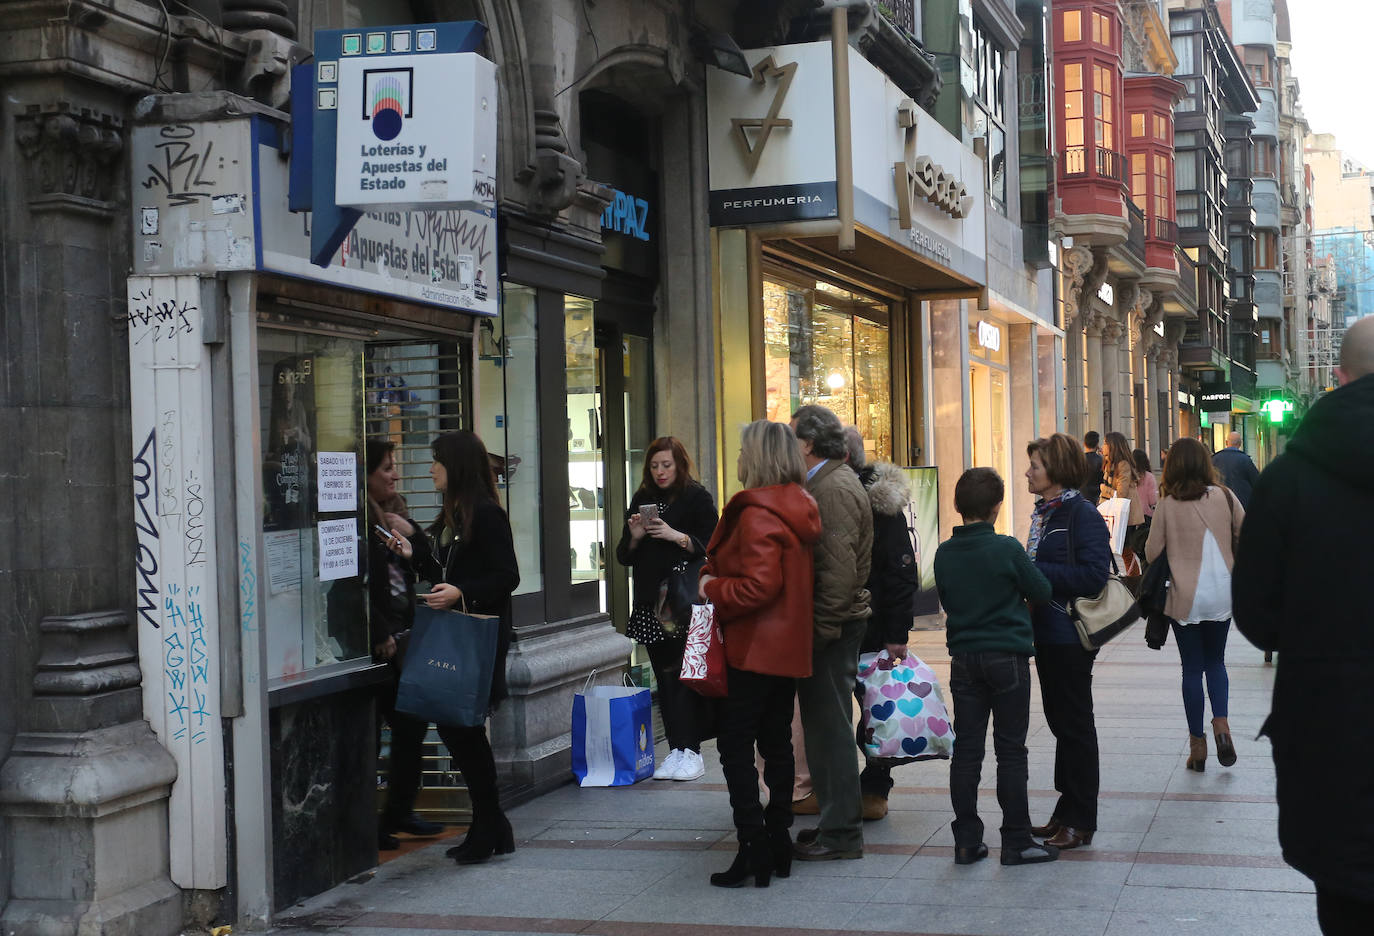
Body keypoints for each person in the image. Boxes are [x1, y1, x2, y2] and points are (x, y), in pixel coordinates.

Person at [1233, 315, 1374, 935]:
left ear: (1337, 378)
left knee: (1344, 899)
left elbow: (1258, 616)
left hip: (1329, 728)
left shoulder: (1291, 476)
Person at [381, 430, 520, 865]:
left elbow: (506, 576)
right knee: (459, 731)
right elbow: (443, 570)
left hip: (474, 640)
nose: (429, 469)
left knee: (464, 733)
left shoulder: (486, 514)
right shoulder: (455, 515)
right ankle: (492, 826)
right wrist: (412, 555)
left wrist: (461, 592)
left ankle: (489, 826)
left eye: (436, 461)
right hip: (457, 638)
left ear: (454, 466)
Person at [698, 420, 821, 888]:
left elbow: (759, 586)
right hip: (786, 648)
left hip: (751, 647)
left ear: (758, 458)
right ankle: (777, 842)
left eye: (742, 450)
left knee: (735, 747)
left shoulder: (755, 511)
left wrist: (712, 586)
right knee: (776, 745)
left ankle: (752, 846)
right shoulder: (798, 505)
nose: (737, 459)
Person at [936, 468, 1057, 866]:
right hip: (1007, 657)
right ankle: (1016, 839)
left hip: (964, 660)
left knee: (967, 752)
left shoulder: (944, 553)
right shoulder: (1006, 548)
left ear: (957, 505)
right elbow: (1041, 590)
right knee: (1011, 750)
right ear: (996, 507)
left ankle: (967, 840)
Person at [789, 405, 873, 861]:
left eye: (790, 436)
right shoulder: (829, 481)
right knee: (826, 730)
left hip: (832, 629)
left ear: (806, 443)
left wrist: (818, 634)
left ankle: (841, 833)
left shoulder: (833, 486)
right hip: (832, 625)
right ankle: (835, 825)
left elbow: (838, 576)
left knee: (831, 732)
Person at [1024, 434, 1111, 850]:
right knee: (1061, 724)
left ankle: (1081, 819)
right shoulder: (1044, 513)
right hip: (1045, 634)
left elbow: (1094, 577)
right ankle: (1065, 810)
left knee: (1075, 725)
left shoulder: (1082, 514)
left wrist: (1037, 574)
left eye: (1035, 466)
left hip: (1070, 636)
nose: (1028, 472)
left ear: (1055, 471)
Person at [615, 437, 719, 782]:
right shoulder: (643, 498)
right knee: (664, 676)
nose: (660, 472)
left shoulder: (697, 497)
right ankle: (677, 749)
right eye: (655, 466)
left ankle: (692, 752)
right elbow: (623, 556)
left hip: (683, 601)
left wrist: (677, 536)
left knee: (684, 676)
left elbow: (713, 547)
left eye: (666, 465)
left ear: (680, 465)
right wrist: (635, 535)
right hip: (650, 600)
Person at [1144, 438, 1245, 772]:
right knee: (1216, 662)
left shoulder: (1168, 504)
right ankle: (1223, 727)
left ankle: (1197, 747)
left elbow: (1152, 551)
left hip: (1184, 595)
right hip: (1222, 592)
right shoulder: (1226, 497)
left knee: (1192, 668)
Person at [367, 441, 444, 851]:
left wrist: (412, 532)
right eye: (385, 468)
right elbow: (349, 585)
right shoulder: (357, 519)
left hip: (406, 636)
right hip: (377, 644)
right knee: (377, 730)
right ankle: (371, 820)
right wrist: (378, 631)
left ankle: (399, 810)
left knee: (411, 727)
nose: (394, 475)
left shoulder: (395, 513)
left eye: (394, 467)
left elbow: (425, 565)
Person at [841, 427, 917, 821]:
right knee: (842, 714)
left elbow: (901, 572)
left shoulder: (880, 504)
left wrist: (896, 634)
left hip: (871, 628)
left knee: (874, 713)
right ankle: (843, 787)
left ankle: (875, 786)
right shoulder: (821, 496)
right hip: (835, 628)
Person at [1100, 431, 1145, 571]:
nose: (1103, 446)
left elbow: (1121, 494)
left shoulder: (1122, 465)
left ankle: (1134, 579)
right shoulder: (1109, 464)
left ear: (1113, 446)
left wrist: (1104, 489)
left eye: (1105, 443)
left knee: (1125, 550)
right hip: (1115, 515)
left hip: (1125, 516)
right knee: (1118, 549)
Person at [1211, 431, 1259, 509]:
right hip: (1242, 503)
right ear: (1240, 443)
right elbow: (1256, 482)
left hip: (1220, 502)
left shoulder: (1215, 459)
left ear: (1226, 442)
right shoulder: (1245, 459)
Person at [1130, 448, 1159, 565]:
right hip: (1146, 518)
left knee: (1130, 548)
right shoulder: (1149, 477)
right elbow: (1153, 500)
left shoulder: (1129, 476)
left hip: (1131, 517)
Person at [1079, 431, 1103, 505]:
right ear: (1097, 444)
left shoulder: (1078, 459)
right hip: (1096, 498)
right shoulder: (1101, 460)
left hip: (1080, 496)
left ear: (1084, 443)